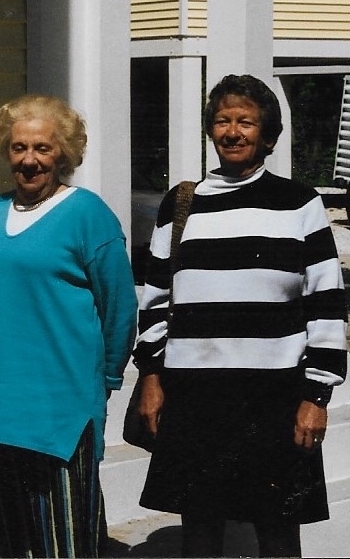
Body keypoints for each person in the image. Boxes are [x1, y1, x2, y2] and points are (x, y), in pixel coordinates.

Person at [133, 74, 348, 558]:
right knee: (201, 531)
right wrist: (151, 375)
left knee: (276, 532)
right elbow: (155, 298)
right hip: (195, 396)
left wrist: (317, 394)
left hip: (273, 398)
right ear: (211, 131)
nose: (232, 132)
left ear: (267, 136)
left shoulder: (299, 203)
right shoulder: (182, 204)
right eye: (222, 121)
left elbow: (328, 302)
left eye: (245, 122)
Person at [0, 94, 139, 558]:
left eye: (42, 148)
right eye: (19, 147)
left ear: (63, 153)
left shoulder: (87, 213)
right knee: (9, 540)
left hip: (61, 406)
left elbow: (120, 307)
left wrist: (103, 382)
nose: (29, 160)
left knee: (65, 544)